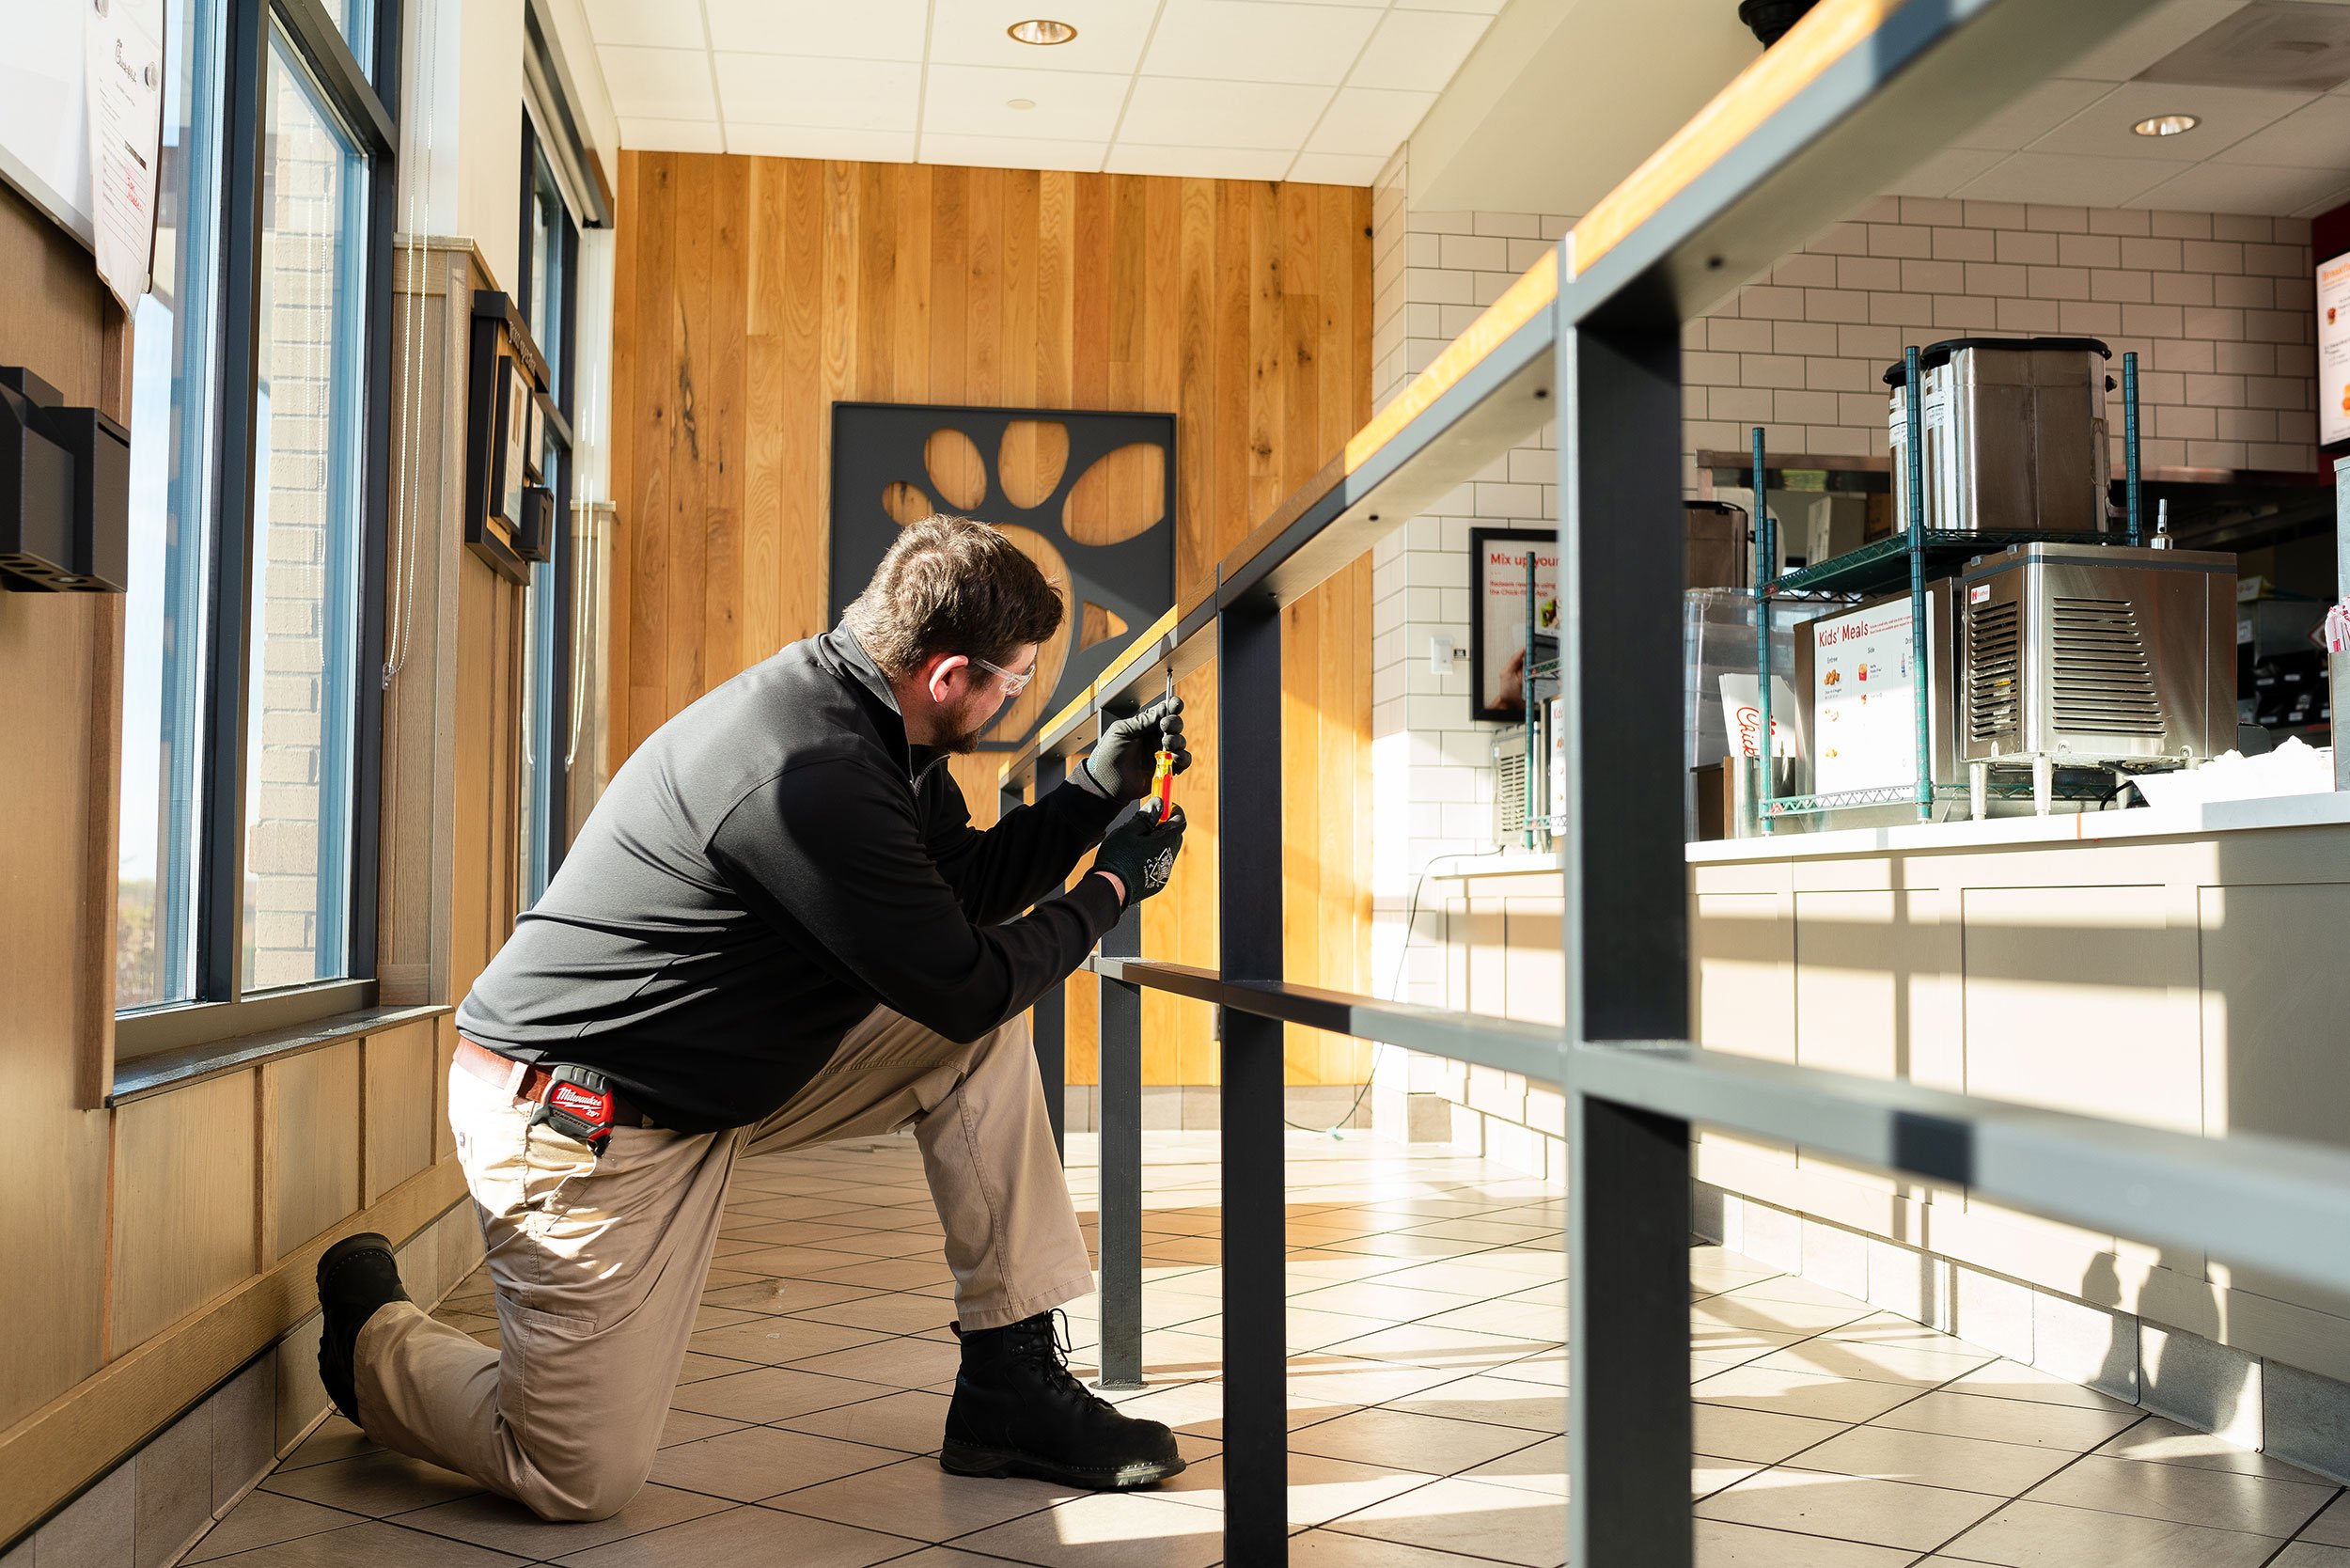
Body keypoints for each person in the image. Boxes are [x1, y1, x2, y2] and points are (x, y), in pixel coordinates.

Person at [310, 514, 1193, 1522]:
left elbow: (954, 895)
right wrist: (1116, 886)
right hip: (578, 1117)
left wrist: (1088, 796)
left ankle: (1008, 1390)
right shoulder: (809, 773)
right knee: (573, 1474)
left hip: (707, 1077)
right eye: (1017, 680)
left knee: (971, 1046)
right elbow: (964, 977)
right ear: (949, 677)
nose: (1016, 698)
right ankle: (372, 1343)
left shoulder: (877, 724)